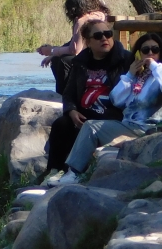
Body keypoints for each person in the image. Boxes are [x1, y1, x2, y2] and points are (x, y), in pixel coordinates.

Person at [63, 31, 162, 177]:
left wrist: (154, 66)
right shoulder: (137, 77)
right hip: (129, 127)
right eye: (145, 50)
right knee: (90, 126)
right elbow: (117, 99)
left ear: (161, 52)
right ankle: (72, 173)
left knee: (91, 127)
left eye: (155, 50)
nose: (150, 53)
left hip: (151, 129)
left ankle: (75, 173)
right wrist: (130, 75)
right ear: (139, 54)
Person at [46, 18, 132, 174]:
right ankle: (53, 171)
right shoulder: (80, 63)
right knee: (61, 124)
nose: (104, 38)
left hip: (112, 115)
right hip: (84, 114)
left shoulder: (125, 60)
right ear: (88, 41)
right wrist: (71, 110)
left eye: (108, 34)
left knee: (86, 129)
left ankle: (73, 172)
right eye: (98, 36)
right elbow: (69, 93)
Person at [38, 0, 111, 95]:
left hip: (95, 58)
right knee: (56, 58)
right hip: (99, 54)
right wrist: (53, 53)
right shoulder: (98, 15)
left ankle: (64, 95)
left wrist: (52, 50)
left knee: (63, 61)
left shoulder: (82, 21)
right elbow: (73, 42)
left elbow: (75, 50)